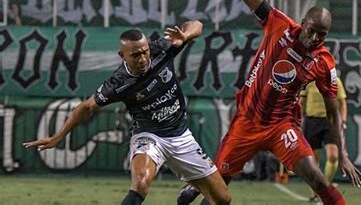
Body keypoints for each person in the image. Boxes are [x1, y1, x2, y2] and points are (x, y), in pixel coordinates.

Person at [177, 0, 361, 205]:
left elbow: (333, 113)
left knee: (317, 178)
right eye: (312, 31)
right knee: (219, 191)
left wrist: (343, 154)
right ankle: (202, 183)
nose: (316, 38)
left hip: (280, 126)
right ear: (303, 23)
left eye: (323, 34)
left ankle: (199, 183)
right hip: (247, 122)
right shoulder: (280, 25)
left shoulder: (324, 62)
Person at [23, 22, 232, 205]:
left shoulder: (162, 49)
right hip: (150, 137)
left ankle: (192, 187)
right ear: (122, 56)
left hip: (181, 136)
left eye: (144, 52)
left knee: (223, 199)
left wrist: (185, 36)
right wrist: (58, 137)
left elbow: (196, 24)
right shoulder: (119, 83)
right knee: (141, 183)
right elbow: (86, 108)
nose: (142, 58)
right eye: (135, 55)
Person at [300, 77, 347, 202]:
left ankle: (324, 187)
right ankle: (315, 193)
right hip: (312, 122)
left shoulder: (335, 81)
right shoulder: (309, 82)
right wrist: (296, 121)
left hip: (330, 122)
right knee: (313, 160)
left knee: (333, 156)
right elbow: (301, 103)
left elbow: (342, 103)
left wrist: (343, 120)